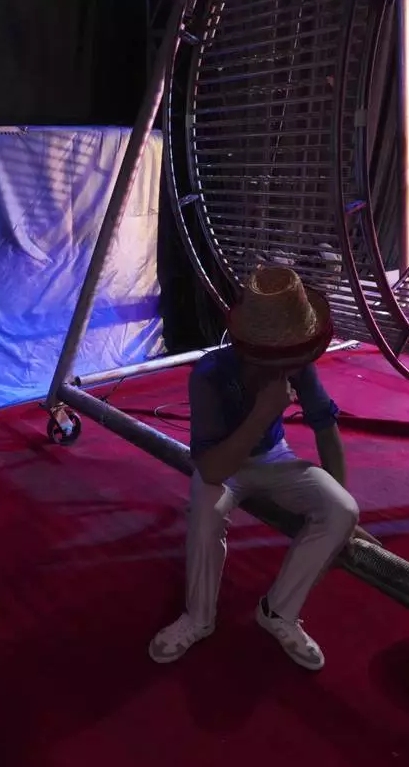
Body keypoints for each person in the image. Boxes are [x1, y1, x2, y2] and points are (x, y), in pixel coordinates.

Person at [149, 266, 378, 671]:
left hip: (274, 456)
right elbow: (213, 468)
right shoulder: (211, 375)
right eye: (278, 356)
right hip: (224, 460)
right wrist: (262, 414)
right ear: (249, 347)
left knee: (342, 509)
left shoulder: (296, 365)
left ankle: (278, 611)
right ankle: (198, 618)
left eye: (294, 355)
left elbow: (325, 426)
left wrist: (341, 508)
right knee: (205, 515)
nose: (287, 365)